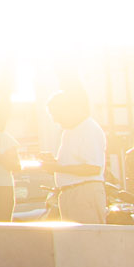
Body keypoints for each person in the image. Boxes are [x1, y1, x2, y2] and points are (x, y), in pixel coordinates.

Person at [47, 89, 107, 224]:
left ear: (70, 109)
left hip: (84, 192)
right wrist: (54, 164)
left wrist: (58, 168)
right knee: (73, 241)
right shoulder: (69, 132)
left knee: (87, 240)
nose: (55, 120)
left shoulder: (89, 130)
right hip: (69, 192)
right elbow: (71, 163)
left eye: (57, 114)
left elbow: (93, 168)